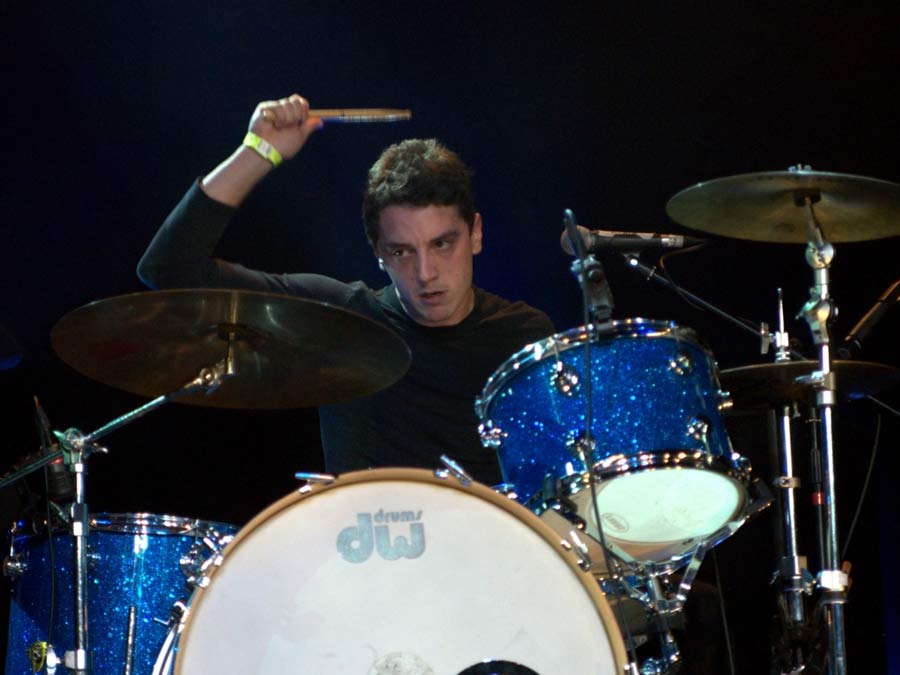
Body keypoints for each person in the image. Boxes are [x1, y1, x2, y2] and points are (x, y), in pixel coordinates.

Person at [138, 93, 555, 486]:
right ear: (378, 253)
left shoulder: (524, 336)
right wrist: (257, 152)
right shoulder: (340, 317)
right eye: (402, 251)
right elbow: (168, 268)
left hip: (490, 537)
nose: (425, 272)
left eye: (442, 244)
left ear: (476, 233)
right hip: (360, 537)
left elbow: (557, 487)